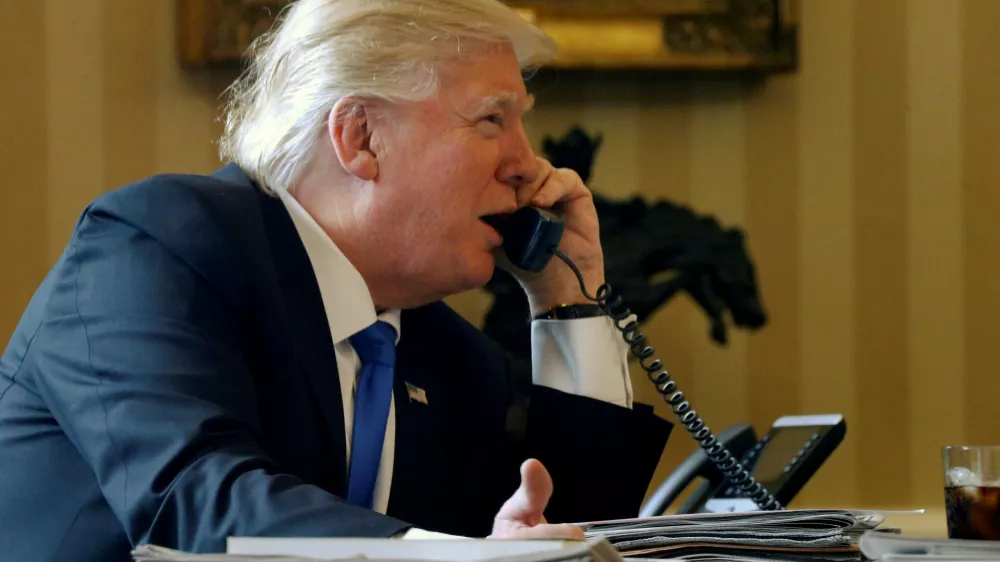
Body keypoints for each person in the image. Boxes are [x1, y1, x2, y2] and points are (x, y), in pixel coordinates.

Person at [0, 0, 672, 559]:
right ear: (360, 139)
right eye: (493, 119)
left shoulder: (449, 357)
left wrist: (570, 305)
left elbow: (572, 541)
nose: (528, 164)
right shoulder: (158, 245)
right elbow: (197, 504)